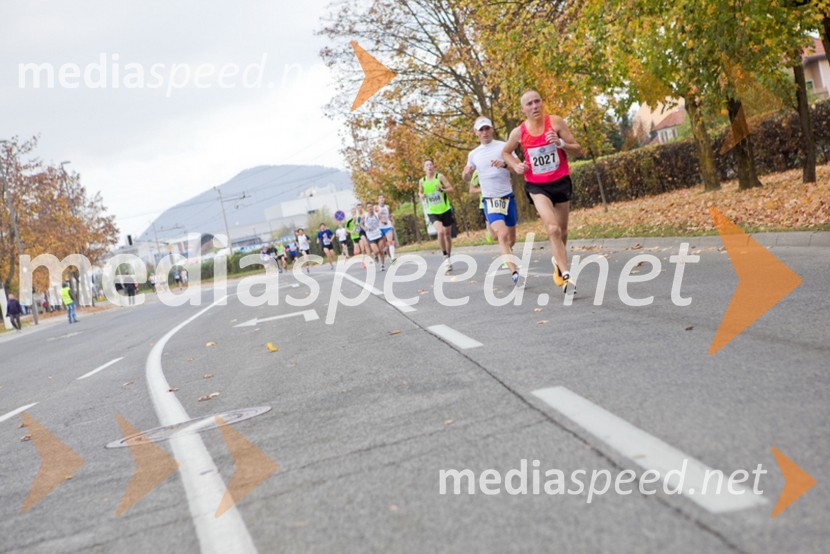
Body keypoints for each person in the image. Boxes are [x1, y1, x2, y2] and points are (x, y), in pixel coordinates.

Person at [503, 90, 583, 293]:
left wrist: (561, 143)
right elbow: (505, 152)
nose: (534, 106)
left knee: (563, 231)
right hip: (537, 186)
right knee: (553, 228)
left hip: (560, 181)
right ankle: (566, 276)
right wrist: (516, 165)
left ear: (542, 103)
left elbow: (578, 149)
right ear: (523, 109)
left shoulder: (555, 123)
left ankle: (558, 261)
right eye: (529, 104)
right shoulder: (519, 132)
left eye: (537, 101)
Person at [463, 116, 522, 286]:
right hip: (490, 200)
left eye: (487, 128)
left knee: (511, 239)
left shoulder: (504, 146)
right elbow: (466, 177)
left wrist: (504, 165)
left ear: (492, 129)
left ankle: (507, 253)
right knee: (502, 235)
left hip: (507, 198)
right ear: (476, 133)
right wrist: (466, 173)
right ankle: (514, 273)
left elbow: (518, 168)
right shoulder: (473, 154)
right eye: (481, 129)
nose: (485, 132)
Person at [418, 159, 455, 272]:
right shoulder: (422, 181)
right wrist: (421, 195)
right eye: (427, 165)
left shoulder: (439, 177)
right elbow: (420, 192)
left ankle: (448, 257)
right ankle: (444, 255)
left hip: (445, 209)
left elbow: (451, 189)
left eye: (431, 164)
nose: (429, 167)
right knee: (440, 232)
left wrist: (442, 189)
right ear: (424, 168)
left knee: (447, 235)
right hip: (432, 211)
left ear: (433, 166)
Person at [361, 202, 386, 270]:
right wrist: (364, 228)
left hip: (378, 234)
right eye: (368, 207)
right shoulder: (364, 216)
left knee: (381, 251)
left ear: (372, 207)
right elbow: (361, 224)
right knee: (376, 251)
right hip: (371, 236)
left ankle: (382, 265)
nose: (370, 208)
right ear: (366, 208)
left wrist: (384, 221)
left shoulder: (377, 215)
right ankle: (375, 255)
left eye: (371, 206)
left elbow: (382, 219)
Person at [376, 194, 397, 261]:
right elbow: (375, 217)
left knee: (390, 241)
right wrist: (380, 215)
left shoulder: (387, 207)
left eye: (383, 198)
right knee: (383, 245)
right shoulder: (376, 208)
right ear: (378, 200)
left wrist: (392, 220)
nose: (382, 199)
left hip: (388, 226)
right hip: (380, 227)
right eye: (380, 198)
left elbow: (389, 215)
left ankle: (393, 258)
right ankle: (384, 251)